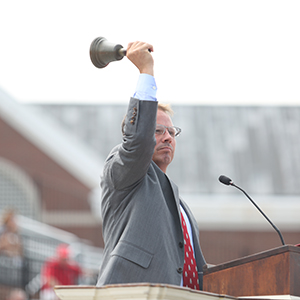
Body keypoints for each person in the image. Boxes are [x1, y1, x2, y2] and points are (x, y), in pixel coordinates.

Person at [96, 41, 206, 290]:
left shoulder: (182, 207)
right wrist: (146, 71)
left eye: (171, 132)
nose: (168, 137)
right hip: (130, 293)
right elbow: (138, 143)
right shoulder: (123, 172)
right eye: (157, 130)